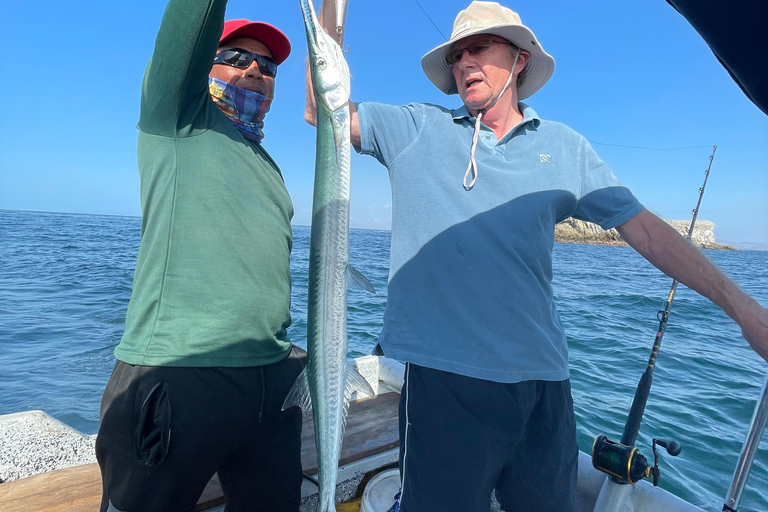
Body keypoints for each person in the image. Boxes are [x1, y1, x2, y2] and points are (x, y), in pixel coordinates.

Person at [306, 1, 768, 511]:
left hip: (544, 386)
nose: (463, 63)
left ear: (520, 59)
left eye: (478, 48)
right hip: (444, 384)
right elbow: (321, 110)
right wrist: (331, 12)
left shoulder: (565, 148)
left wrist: (743, 310)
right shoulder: (416, 129)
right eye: (456, 55)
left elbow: (647, 231)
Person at [95, 1, 305, 511]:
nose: (254, 70)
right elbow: (188, 24)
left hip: (271, 379)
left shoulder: (268, 165)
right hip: (179, 374)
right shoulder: (176, 118)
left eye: (268, 66)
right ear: (201, 66)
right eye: (236, 56)